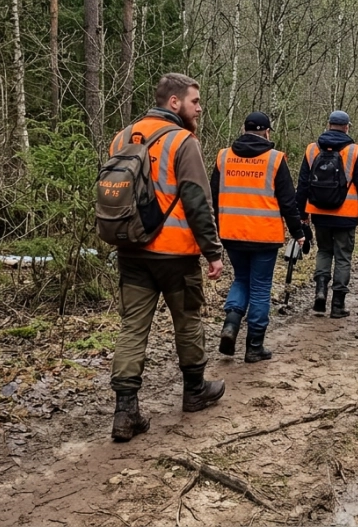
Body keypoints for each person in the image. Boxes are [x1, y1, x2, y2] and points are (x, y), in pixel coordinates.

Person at [108, 73, 227, 443]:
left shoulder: (122, 136)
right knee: (188, 321)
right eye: (195, 101)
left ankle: (125, 413)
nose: (199, 108)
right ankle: (194, 391)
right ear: (174, 103)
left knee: (132, 328)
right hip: (174, 253)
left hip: (130, 249)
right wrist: (213, 252)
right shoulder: (183, 141)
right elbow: (196, 200)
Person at [210, 112, 305, 362]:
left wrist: (215, 230)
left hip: (231, 233)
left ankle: (231, 323)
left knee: (241, 279)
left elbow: (213, 197)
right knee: (261, 288)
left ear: (243, 129)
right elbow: (288, 202)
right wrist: (299, 232)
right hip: (264, 235)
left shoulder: (224, 157)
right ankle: (253, 347)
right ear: (267, 132)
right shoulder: (274, 159)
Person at [295, 111, 358, 318]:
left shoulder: (312, 149)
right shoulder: (355, 151)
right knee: (343, 258)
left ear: (328, 124)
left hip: (318, 212)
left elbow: (303, 184)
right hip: (345, 214)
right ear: (347, 127)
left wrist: (302, 213)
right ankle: (338, 305)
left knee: (323, 252)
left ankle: (320, 293)